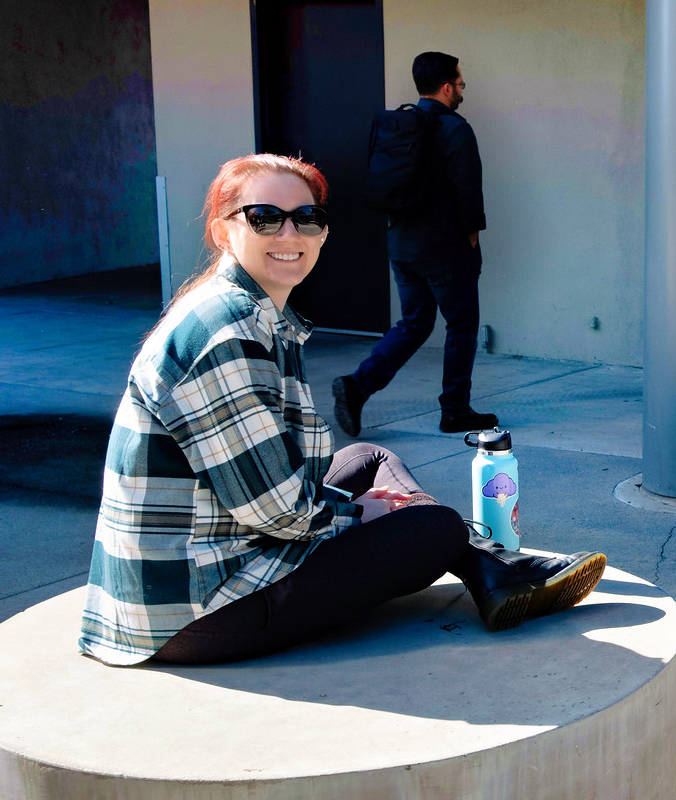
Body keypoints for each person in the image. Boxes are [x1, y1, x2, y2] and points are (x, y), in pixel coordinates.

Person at [81, 152, 605, 666]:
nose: (291, 235)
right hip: (200, 607)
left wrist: (358, 508)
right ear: (223, 232)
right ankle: (488, 564)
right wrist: (358, 514)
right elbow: (276, 510)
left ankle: (489, 570)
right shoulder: (227, 332)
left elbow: (272, 485)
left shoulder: (250, 310)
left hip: (212, 556)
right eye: (266, 218)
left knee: (369, 459)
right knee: (436, 527)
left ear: (323, 232)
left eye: (308, 218)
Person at [332, 51, 496, 438]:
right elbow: (468, 192)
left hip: (402, 244)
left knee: (415, 322)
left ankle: (358, 385)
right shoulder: (455, 130)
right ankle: (454, 410)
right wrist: (472, 241)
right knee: (461, 325)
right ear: (445, 87)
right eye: (460, 85)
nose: (461, 92)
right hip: (445, 249)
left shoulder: (400, 125)